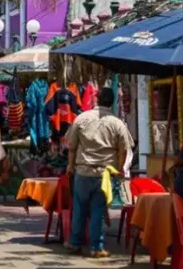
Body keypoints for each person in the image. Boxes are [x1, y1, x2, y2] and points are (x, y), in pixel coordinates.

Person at [66, 87, 133, 258]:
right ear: (112, 102)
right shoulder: (117, 123)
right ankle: (96, 247)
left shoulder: (81, 118)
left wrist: (70, 166)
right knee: (98, 210)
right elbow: (124, 149)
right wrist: (118, 168)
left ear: (97, 99)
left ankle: (74, 242)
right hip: (104, 175)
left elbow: (71, 147)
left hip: (82, 171)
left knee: (79, 208)